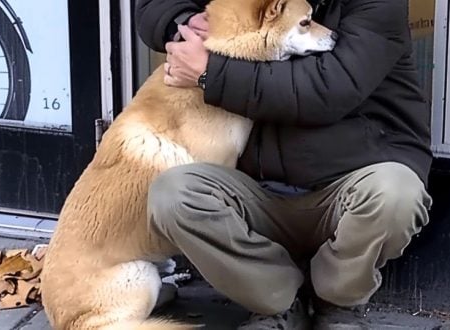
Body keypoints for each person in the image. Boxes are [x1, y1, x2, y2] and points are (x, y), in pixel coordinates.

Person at [135, 0, 433, 328]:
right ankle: (279, 303)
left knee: (396, 193)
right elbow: (152, 6)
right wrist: (188, 22)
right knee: (173, 194)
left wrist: (210, 72)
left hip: (347, 186)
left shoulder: (379, 6)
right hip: (258, 190)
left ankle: (336, 305)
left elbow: (327, 90)